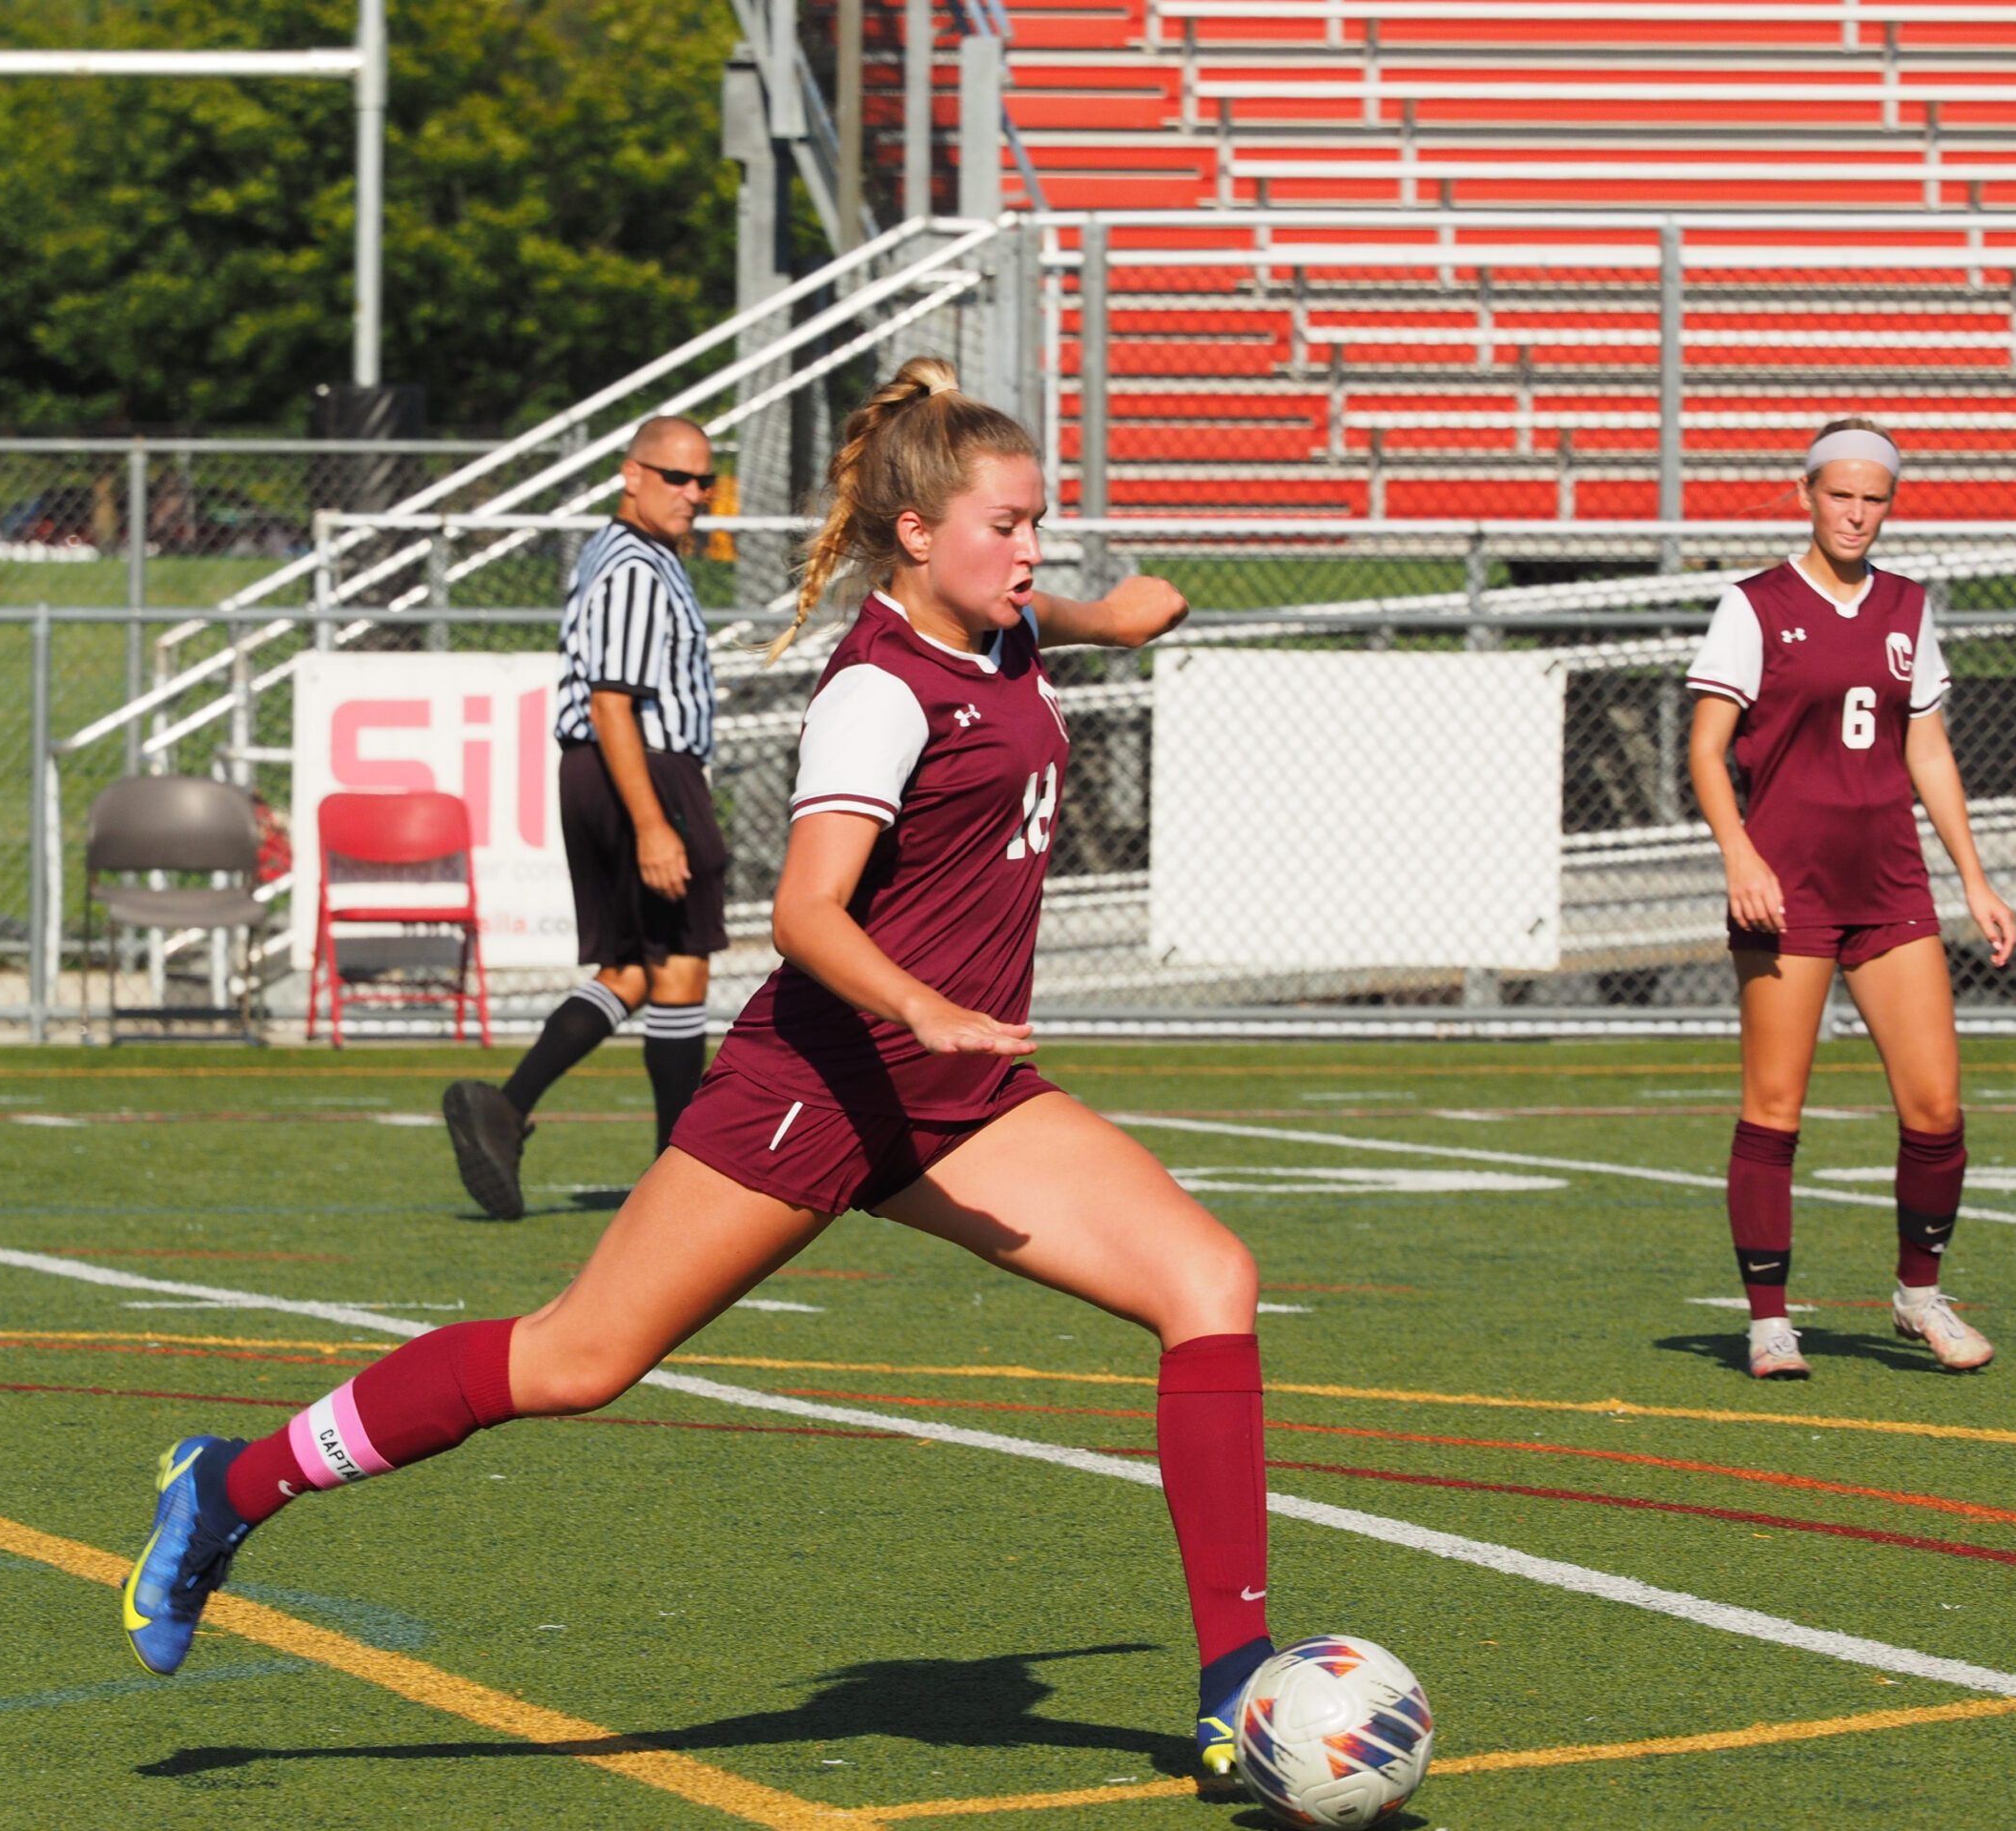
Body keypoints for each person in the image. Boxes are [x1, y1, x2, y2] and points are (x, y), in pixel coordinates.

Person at [123, 358, 1278, 1776]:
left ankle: (1236, 1690)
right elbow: (806, 915)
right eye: (1007, 525)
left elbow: (1093, 614)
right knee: (573, 1360)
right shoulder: (881, 694)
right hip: (819, 1089)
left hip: (956, 1102)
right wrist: (929, 1006)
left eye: (1041, 524)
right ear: (917, 535)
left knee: (1208, 1282)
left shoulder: (1009, 624)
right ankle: (230, 1488)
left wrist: (1135, 613)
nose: (1033, 550)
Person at [1684, 417, 2016, 1381]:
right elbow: (1707, 750)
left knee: (1935, 1108)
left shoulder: (1908, 607)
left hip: (1889, 884)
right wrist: (1739, 856)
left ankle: (1918, 1295)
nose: (1856, 514)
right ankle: (1769, 1320)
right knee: (1774, 1109)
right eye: (1840, 494)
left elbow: (1926, 749)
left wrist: (1974, 878)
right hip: (1786, 890)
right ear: (1807, 494)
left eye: (1874, 499)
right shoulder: (1751, 606)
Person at [442, 416, 729, 1220]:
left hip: (614, 770)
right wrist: (653, 822)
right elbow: (612, 704)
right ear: (630, 474)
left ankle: (506, 1107)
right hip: (641, 768)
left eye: (704, 479)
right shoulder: (636, 567)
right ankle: (679, 1176)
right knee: (679, 965)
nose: (694, 494)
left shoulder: (626, 554)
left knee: (637, 968)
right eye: (676, 477)